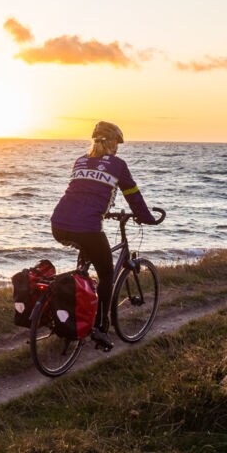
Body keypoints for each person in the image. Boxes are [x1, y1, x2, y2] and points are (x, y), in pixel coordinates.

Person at [50, 121, 159, 349]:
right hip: (87, 228)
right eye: (116, 143)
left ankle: (73, 312)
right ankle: (101, 327)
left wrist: (103, 210)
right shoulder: (118, 165)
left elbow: (86, 192)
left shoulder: (80, 161)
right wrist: (148, 217)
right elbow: (133, 195)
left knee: (84, 269)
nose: (117, 148)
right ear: (110, 142)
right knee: (107, 274)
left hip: (59, 224)